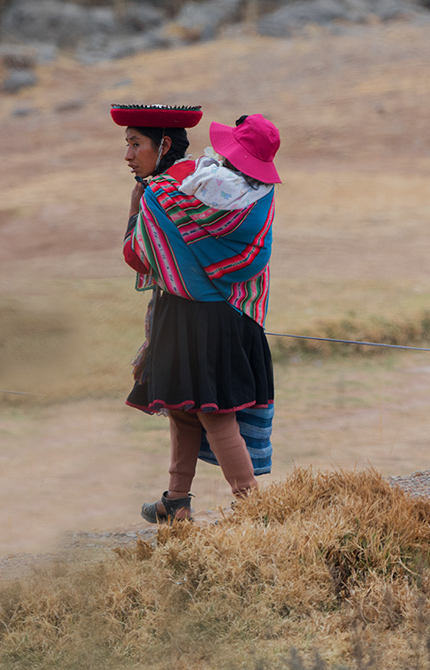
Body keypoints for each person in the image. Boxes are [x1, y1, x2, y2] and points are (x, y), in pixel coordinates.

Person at [111, 104, 282, 523]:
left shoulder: (162, 195)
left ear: (163, 145)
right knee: (184, 409)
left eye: (136, 144)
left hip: (193, 319)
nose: (128, 155)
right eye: (127, 144)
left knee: (213, 413)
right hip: (228, 313)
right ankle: (176, 500)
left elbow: (138, 256)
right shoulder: (224, 184)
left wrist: (136, 210)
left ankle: (253, 508)